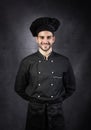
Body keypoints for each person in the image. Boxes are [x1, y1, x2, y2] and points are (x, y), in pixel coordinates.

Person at [14, 17, 76, 130]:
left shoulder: (64, 61)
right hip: (35, 111)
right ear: (37, 39)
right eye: (42, 37)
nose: (45, 41)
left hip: (56, 110)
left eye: (49, 37)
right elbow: (19, 88)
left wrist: (57, 100)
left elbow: (71, 88)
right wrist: (35, 100)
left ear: (53, 39)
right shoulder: (27, 61)